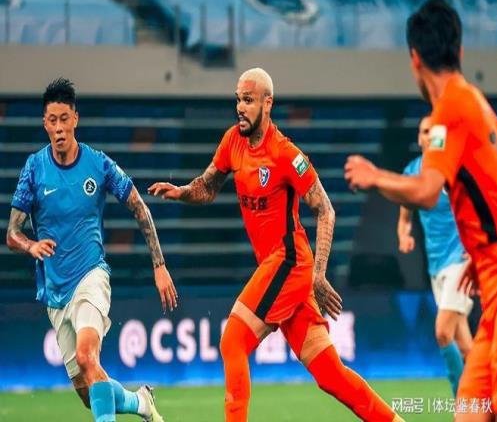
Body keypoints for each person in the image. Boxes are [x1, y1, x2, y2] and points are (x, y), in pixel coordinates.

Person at [149, 68, 403, 422]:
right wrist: (182, 192)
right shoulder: (232, 141)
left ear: (267, 104)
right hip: (279, 269)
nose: (240, 107)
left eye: (248, 100)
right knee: (330, 375)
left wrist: (318, 274)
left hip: (289, 263)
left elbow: (325, 210)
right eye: (238, 99)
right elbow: (207, 186)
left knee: (233, 340)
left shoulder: (286, 154)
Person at [344, 0, 497, 421]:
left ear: (414, 58)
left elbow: (428, 191)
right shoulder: (475, 103)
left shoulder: (450, 110)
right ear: (460, 50)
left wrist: (375, 176)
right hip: (488, 279)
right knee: (471, 411)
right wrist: (483, 254)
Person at [6, 78, 177, 422]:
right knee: (88, 392)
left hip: (91, 276)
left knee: (88, 357)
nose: (59, 128)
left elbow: (139, 208)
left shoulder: (98, 164)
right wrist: (30, 244)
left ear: (75, 119)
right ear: (44, 124)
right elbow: (12, 233)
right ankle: (140, 403)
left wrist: (159, 265)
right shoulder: (34, 169)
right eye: (52, 120)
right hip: (56, 292)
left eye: (64, 119)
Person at [398, 115, 473, 396]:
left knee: (442, 332)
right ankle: (485, 402)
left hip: (460, 262)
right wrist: (404, 235)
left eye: (432, 131)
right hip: (436, 267)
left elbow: (480, 209)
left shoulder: (453, 169)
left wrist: (475, 247)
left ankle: (461, 402)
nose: (428, 136)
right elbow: (405, 217)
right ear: (419, 139)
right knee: (465, 345)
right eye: (424, 132)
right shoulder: (412, 173)